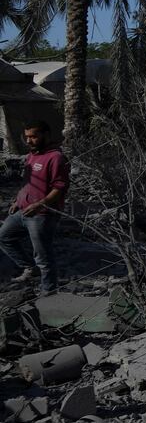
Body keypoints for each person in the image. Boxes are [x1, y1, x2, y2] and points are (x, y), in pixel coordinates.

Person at [2, 120, 71, 295]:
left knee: (43, 255)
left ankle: (48, 291)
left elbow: (59, 188)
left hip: (42, 214)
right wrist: (18, 201)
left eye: (34, 136)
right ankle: (29, 268)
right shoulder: (32, 155)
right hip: (22, 210)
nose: (29, 140)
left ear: (46, 135)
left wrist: (39, 204)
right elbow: (29, 183)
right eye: (27, 137)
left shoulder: (56, 158)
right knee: (4, 237)